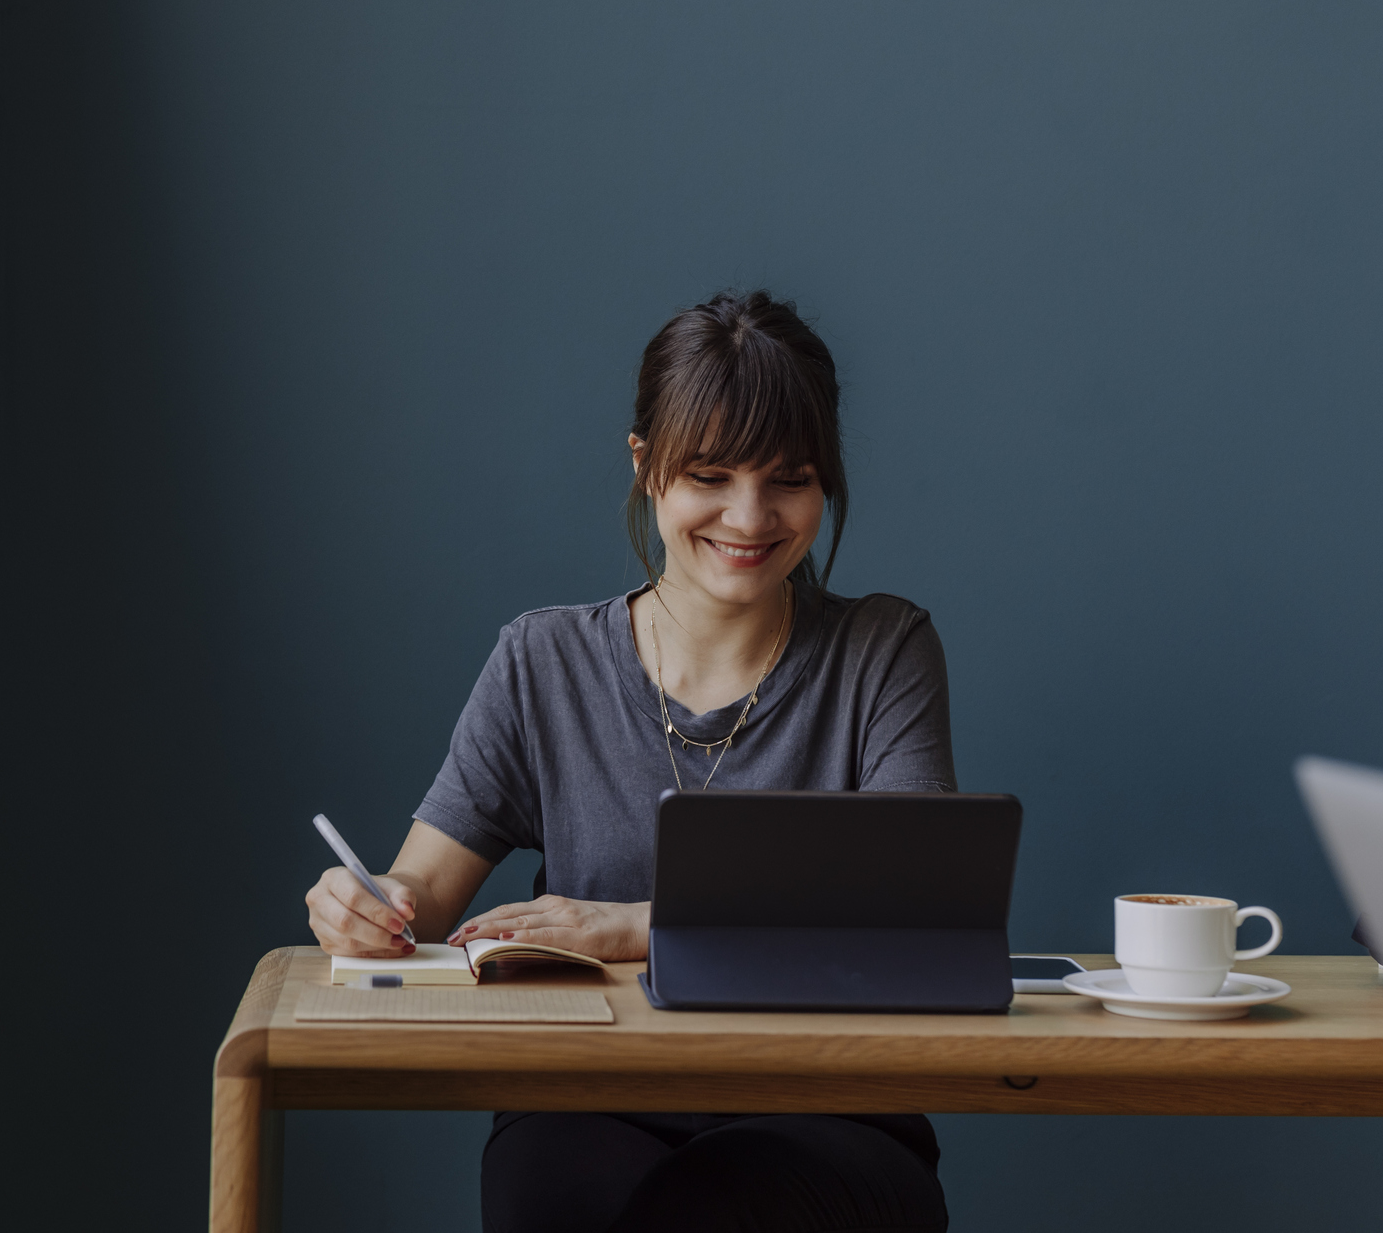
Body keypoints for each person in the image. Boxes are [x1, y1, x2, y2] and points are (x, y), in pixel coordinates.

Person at [304, 290, 955, 1233]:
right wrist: (364, 907)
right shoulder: (543, 659)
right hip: (582, 1097)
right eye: (711, 474)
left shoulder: (883, 649)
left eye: (790, 477)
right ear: (647, 466)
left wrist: (634, 926)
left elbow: (910, 906)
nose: (750, 515)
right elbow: (422, 896)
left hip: (831, 1111)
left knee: (713, 1205)